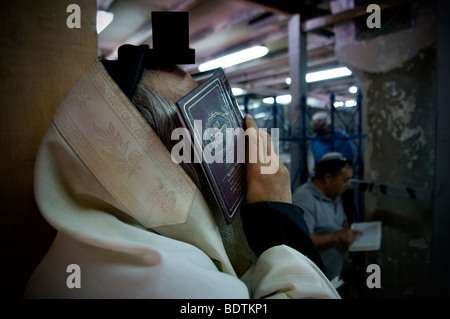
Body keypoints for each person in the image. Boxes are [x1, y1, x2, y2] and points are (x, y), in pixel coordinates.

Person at [23, 43, 340, 298]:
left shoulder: (77, 250)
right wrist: (279, 214)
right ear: (155, 165)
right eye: (199, 124)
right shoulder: (179, 287)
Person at [292, 152, 361, 281]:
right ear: (328, 177)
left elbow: (340, 221)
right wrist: (338, 236)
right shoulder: (304, 198)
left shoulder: (334, 193)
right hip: (313, 278)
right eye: (345, 180)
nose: (349, 184)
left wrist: (346, 228)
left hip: (331, 271)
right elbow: (302, 241)